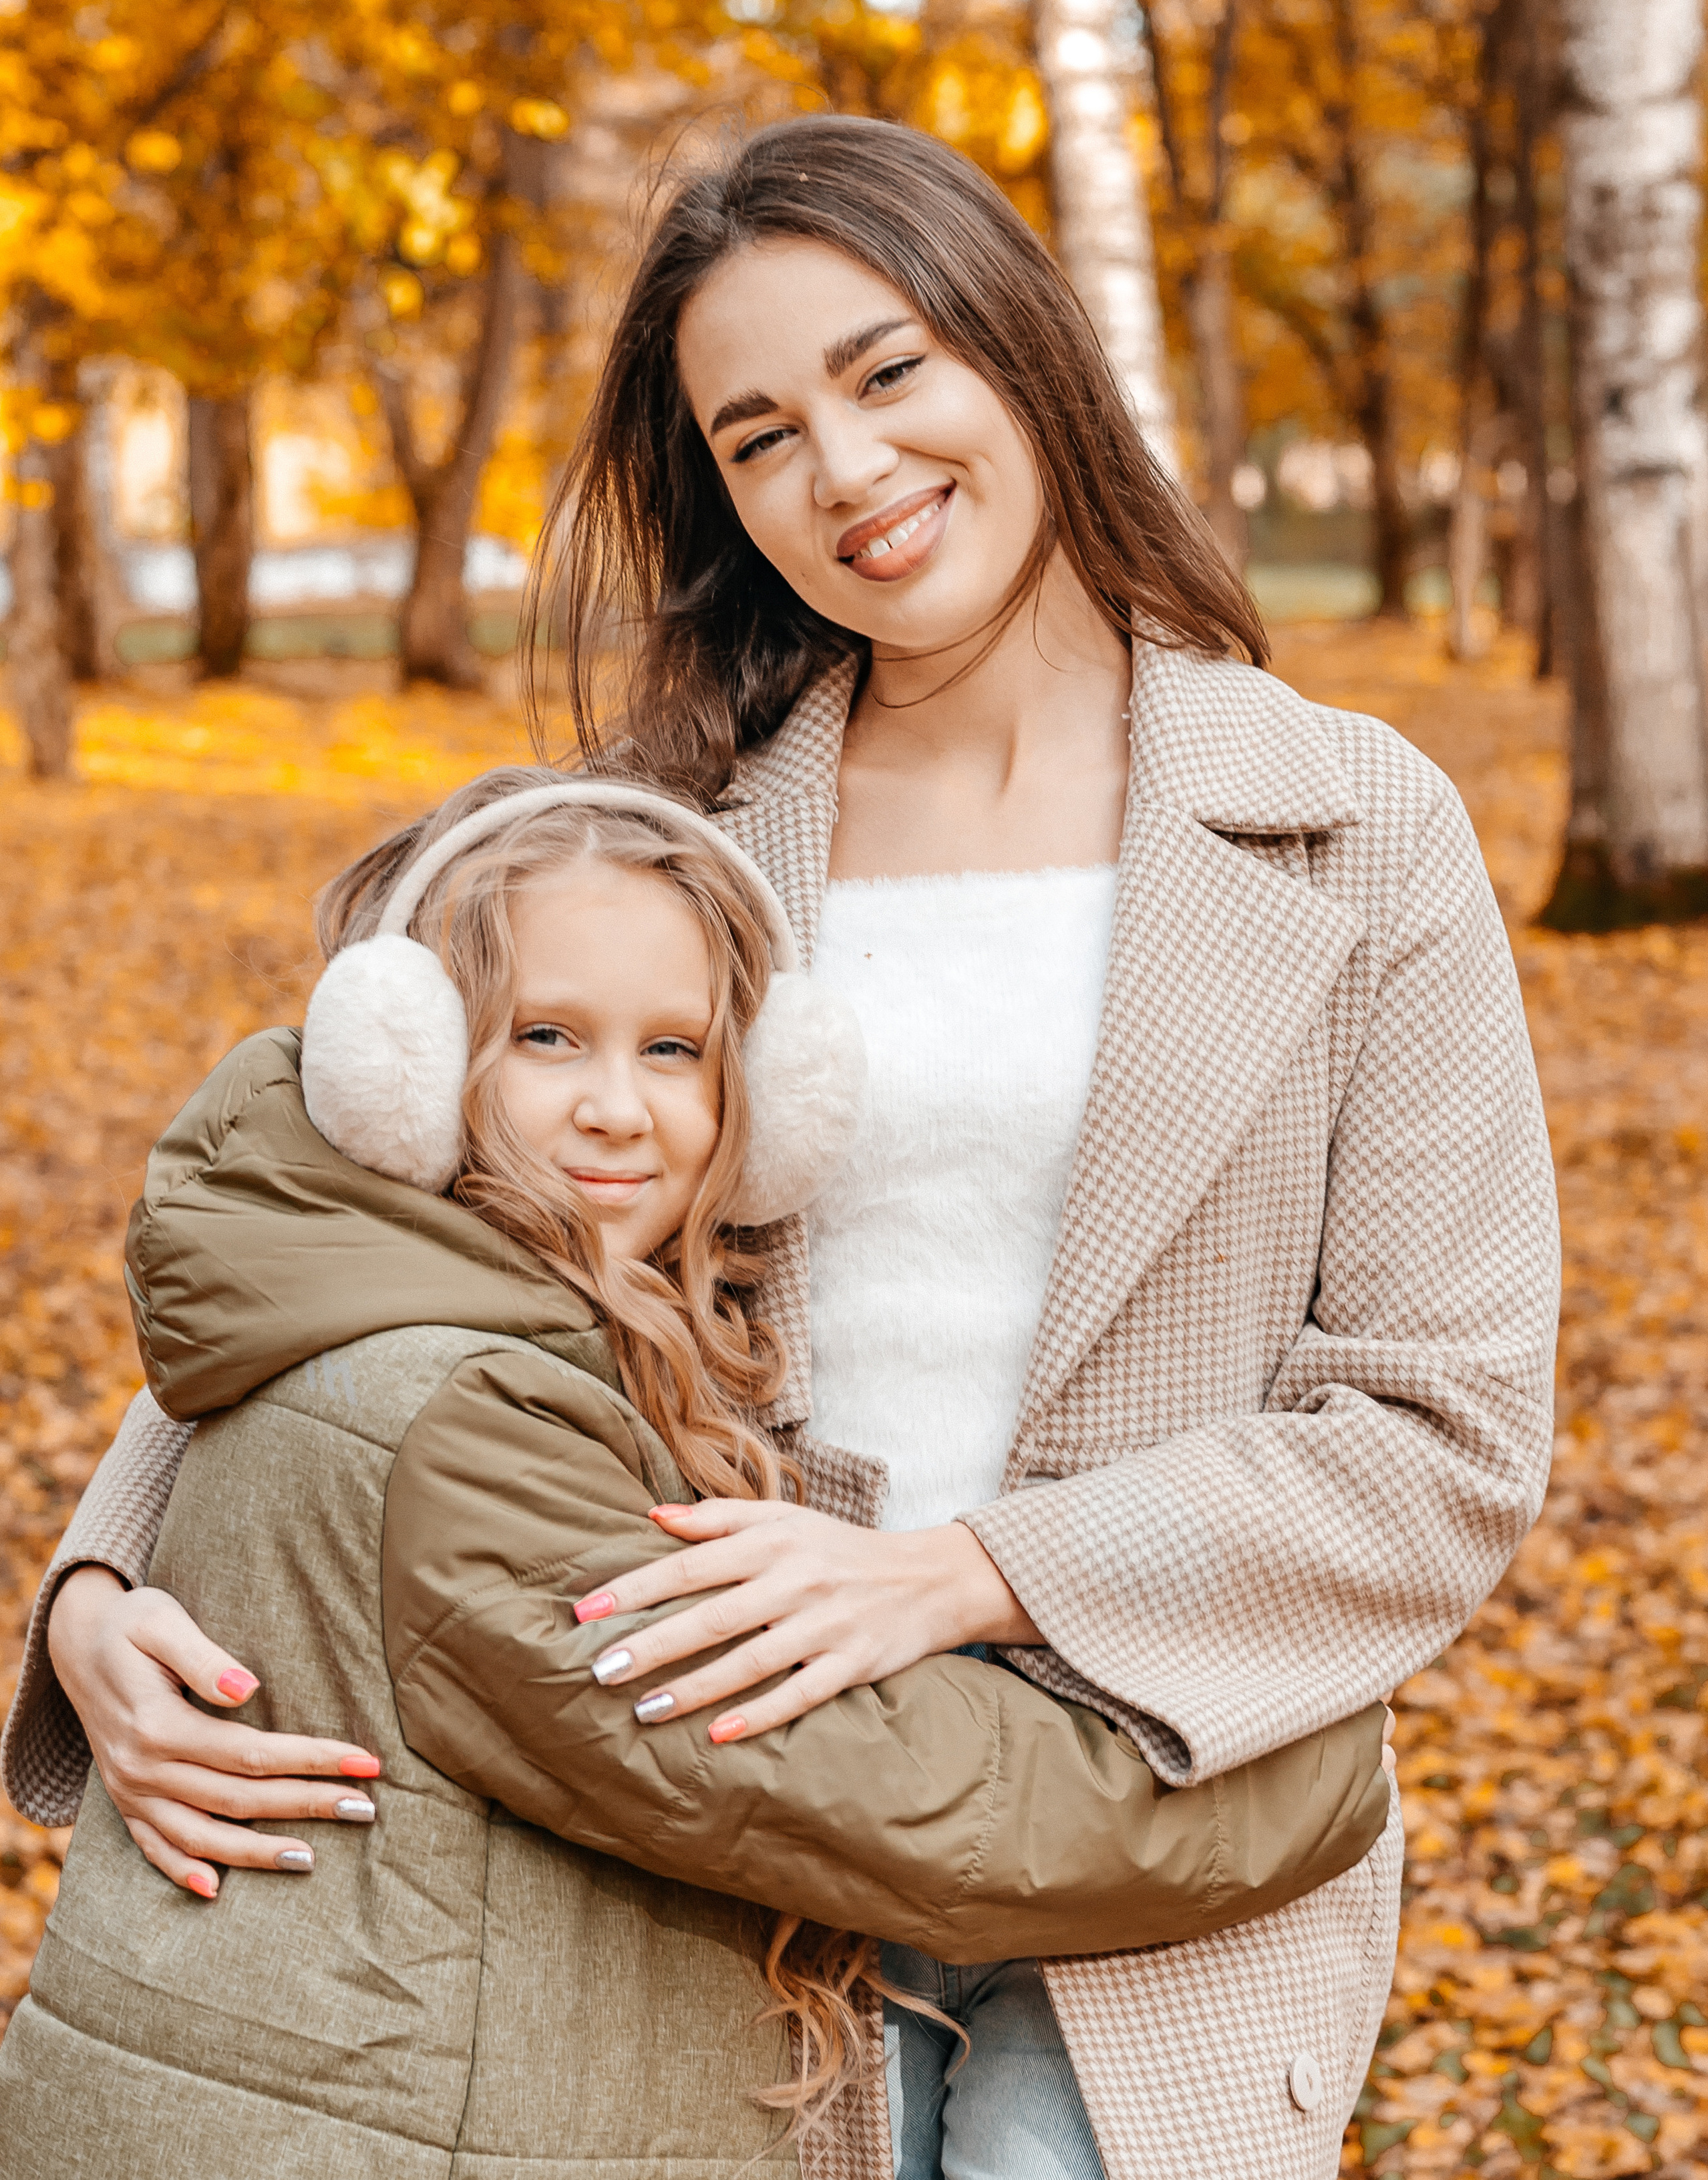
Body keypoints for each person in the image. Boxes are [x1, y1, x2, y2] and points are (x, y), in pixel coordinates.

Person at [1, 116, 1560, 2180]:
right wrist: (108, 1582)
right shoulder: (668, 831)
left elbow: (1439, 1430)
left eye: (887, 368)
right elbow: (362, 1216)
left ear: (1024, 348)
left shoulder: (1359, 833)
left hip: (1163, 1833)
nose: (844, 470)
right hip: (702, 1833)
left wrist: (958, 1577)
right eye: (758, 434)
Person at [0, 775, 1389, 2177]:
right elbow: (858, 1789)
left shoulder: (381, 1302)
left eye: (673, 1050)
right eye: (547, 1038)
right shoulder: (467, 1416)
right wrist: (1302, 1764)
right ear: (402, 1067)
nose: (614, 1109)